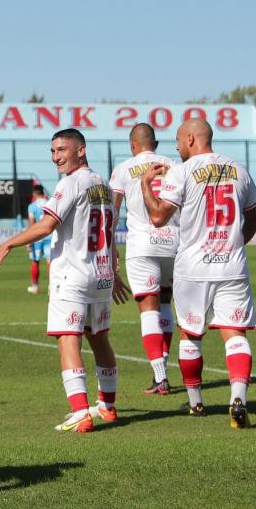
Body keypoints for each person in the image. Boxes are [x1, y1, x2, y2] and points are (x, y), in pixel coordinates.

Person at [0, 129, 128, 433]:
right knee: (100, 338)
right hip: (101, 275)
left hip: (74, 276)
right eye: (52, 151)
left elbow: (47, 224)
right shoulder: (103, 185)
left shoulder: (71, 183)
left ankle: (80, 412)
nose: (56, 157)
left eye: (62, 149)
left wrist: (9, 243)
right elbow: (110, 233)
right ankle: (107, 405)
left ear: (81, 150)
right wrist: (115, 274)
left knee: (69, 338)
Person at [140, 118, 256, 428]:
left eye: (178, 140)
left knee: (191, 334)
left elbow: (156, 217)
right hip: (232, 265)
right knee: (235, 334)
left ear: (192, 139)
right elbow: (254, 221)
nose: (176, 146)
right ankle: (238, 399)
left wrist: (145, 185)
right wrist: (234, 245)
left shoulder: (181, 172)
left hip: (193, 268)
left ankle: (195, 403)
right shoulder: (239, 169)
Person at [109, 124, 180, 395]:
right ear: (156, 144)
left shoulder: (123, 169)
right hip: (173, 242)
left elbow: (112, 214)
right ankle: (163, 372)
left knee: (148, 308)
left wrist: (111, 248)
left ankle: (160, 376)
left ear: (132, 144)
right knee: (165, 304)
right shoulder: (173, 165)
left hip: (142, 245)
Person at [25, 185, 53, 295]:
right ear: (42, 192)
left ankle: (35, 287)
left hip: (37, 237)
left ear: (34, 194)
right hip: (50, 236)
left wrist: (29, 240)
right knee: (50, 262)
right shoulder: (50, 203)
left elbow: (32, 223)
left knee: (35, 261)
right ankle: (52, 287)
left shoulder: (32, 206)